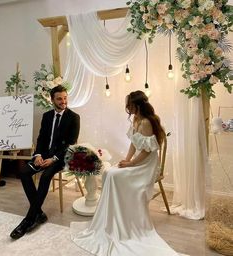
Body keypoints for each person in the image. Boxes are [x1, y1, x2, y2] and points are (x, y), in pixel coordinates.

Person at [70, 90, 178, 255]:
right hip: (136, 160)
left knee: (113, 175)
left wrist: (131, 164)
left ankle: (122, 220)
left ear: (136, 105)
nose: (127, 107)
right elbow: (134, 144)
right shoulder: (136, 119)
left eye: (129, 104)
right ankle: (111, 219)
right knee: (108, 172)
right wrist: (125, 161)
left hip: (145, 165)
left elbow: (147, 152)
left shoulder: (147, 122)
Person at [10, 85, 80, 240]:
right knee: (24, 173)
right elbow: (41, 139)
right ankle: (39, 213)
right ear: (52, 99)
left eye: (65, 98)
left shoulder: (74, 117)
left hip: (61, 158)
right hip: (44, 155)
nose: (63, 101)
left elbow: (70, 144)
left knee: (46, 176)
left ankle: (28, 220)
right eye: (59, 98)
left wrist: (53, 159)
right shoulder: (47, 116)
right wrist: (38, 155)